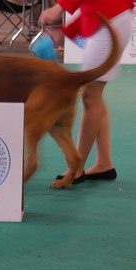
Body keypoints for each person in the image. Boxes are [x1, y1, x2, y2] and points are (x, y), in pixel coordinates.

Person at [39, 0, 134, 184]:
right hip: (108, 18)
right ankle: (104, 164)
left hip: (111, 19)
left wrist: (59, 8)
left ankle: (76, 169)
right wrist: (65, 30)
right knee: (93, 95)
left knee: (90, 95)